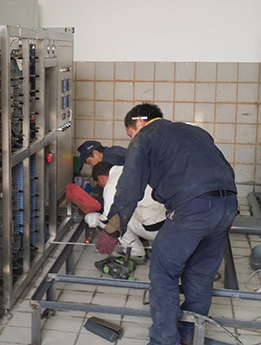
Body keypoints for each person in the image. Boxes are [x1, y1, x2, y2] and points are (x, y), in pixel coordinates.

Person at [97, 103, 237, 345]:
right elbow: (223, 168)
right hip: (227, 205)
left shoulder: (145, 137)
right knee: (200, 274)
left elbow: (129, 189)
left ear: (139, 122)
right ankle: (190, 333)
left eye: (130, 133)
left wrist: (112, 230)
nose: (131, 138)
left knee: (163, 270)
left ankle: (164, 340)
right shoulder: (195, 132)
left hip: (193, 207)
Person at [86, 161, 166, 263]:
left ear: (100, 178)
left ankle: (135, 253)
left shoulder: (111, 185)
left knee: (117, 220)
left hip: (155, 230)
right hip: (170, 221)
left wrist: (94, 218)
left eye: (99, 184)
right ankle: (151, 246)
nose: (101, 187)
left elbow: (108, 220)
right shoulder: (129, 169)